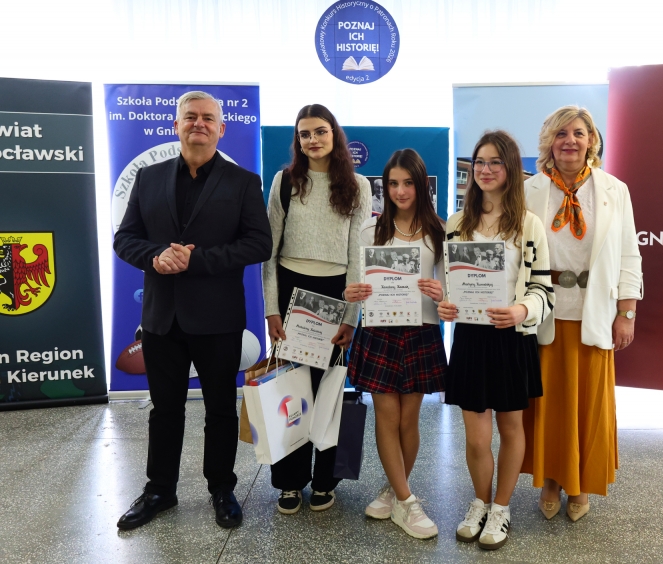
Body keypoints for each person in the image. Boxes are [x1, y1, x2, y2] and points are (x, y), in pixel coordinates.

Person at [114, 91, 272, 530]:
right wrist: (155, 256)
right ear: (176, 125)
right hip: (161, 319)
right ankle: (159, 490)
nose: (198, 123)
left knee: (220, 409)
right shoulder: (148, 177)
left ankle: (222, 488)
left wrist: (195, 260)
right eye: (190, 117)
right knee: (165, 410)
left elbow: (259, 244)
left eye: (207, 118)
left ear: (221, 128)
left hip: (218, 319)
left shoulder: (244, 182)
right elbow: (124, 238)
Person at [521, 106, 643, 522]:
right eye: (561, 134)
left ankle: (580, 483)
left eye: (578, 133)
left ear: (592, 140)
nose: (569, 141)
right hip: (545, 309)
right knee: (548, 404)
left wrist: (627, 311)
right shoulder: (530, 189)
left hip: (595, 310)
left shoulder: (615, 190)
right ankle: (551, 479)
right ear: (549, 142)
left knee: (588, 406)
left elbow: (629, 252)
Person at [438, 131, 554, 551]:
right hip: (470, 337)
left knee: (511, 427)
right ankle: (480, 502)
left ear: (510, 169)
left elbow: (543, 290)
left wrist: (522, 310)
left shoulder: (528, 224)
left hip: (510, 339)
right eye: (479, 162)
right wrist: (446, 304)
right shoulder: (457, 223)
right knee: (475, 437)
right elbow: (448, 283)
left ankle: (501, 508)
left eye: (494, 162)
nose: (485, 170)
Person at [261, 104, 371, 514]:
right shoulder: (284, 181)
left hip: (337, 293)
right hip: (291, 290)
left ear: (334, 134)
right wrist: (271, 309)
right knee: (290, 392)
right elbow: (269, 253)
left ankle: (327, 479)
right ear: (298, 139)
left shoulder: (358, 185)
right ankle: (289, 482)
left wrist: (351, 317)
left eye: (320, 131)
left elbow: (358, 254)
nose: (312, 140)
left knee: (330, 393)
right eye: (304, 133)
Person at [344, 149, 447, 540]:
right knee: (387, 416)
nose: (400, 191)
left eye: (407, 183)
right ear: (384, 188)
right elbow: (357, 285)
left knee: (409, 419)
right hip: (380, 331)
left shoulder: (439, 231)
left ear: (420, 185)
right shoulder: (370, 230)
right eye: (392, 184)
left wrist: (440, 292)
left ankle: (394, 488)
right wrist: (351, 294)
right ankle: (407, 500)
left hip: (421, 330)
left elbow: (451, 290)